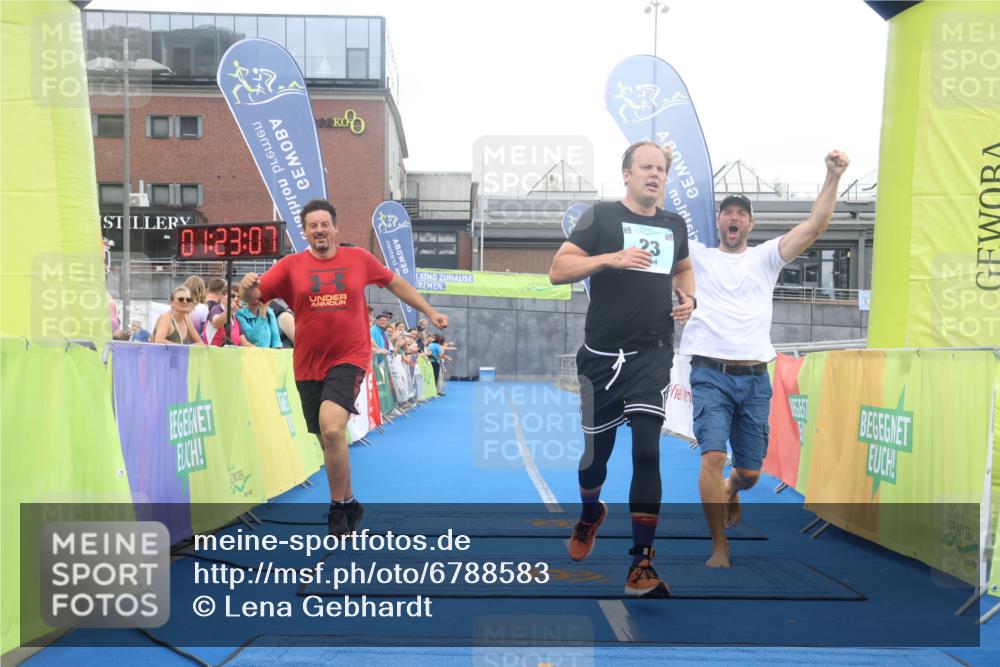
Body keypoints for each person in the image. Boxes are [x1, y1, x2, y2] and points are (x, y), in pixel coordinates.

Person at [240, 199, 448, 536]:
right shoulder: (290, 265)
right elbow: (253, 298)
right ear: (304, 232)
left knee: (334, 429)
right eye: (313, 225)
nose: (319, 230)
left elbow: (396, 284)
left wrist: (428, 310)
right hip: (307, 364)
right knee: (326, 438)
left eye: (325, 224)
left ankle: (337, 508)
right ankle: (350, 501)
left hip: (349, 357)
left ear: (336, 228)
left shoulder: (359, 259)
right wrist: (246, 286)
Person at [682, 150, 850, 568]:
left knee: (750, 474)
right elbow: (658, 237)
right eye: (727, 213)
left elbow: (815, 226)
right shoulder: (698, 257)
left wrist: (831, 176)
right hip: (709, 373)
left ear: (751, 224)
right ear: (718, 221)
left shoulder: (766, 256)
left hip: (756, 378)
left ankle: (733, 489)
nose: (734, 219)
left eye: (741, 214)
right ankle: (719, 545)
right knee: (712, 456)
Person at [548, 140, 695, 598]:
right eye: (646, 167)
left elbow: (684, 269)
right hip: (601, 358)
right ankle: (591, 513)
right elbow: (558, 269)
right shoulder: (601, 217)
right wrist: (611, 258)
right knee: (596, 460)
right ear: (627, 174)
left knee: (648, 451)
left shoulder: (673, 225)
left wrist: (689, 298)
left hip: (651, 354)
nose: (655, 174)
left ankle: (641, 565)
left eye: (661, 169)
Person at [236, 284, 282, 348]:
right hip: (250, 355)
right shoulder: (240, 314)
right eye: (252, 295)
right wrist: (262, 314)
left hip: (268, 355)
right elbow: (253, 339)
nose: (256, 298)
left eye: (258, 295)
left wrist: (275, 354)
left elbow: (276, 340)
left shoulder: (269, 312)